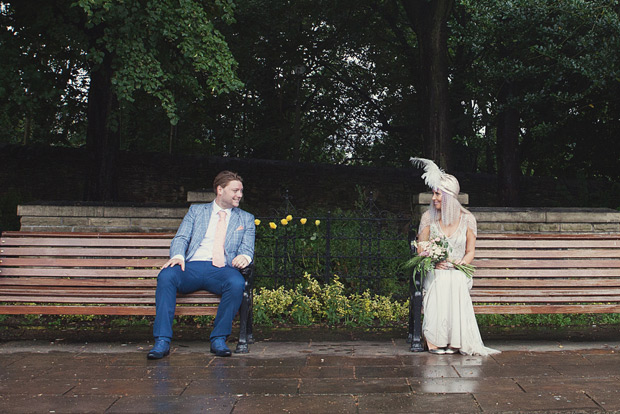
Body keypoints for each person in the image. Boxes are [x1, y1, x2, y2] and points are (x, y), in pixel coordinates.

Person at [147, 171, 255, 359]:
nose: (240, 195)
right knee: (166, 276)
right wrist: (179, 256)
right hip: (192, 267)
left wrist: (245, 257)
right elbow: (181, 237)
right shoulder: (197, 211)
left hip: (222, 269)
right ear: (220, 190)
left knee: (237, 283)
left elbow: (247, 247)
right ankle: (162, 341)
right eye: (235, 190)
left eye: (241, 191)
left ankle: (219, 339)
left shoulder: (245, 218)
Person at [411, 158, 499, 356]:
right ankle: (435, 341)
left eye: (437, 194)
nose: (433, 198)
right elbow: (421, 247)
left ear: (450, 197)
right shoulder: (428, 217)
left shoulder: (467, 219)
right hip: (437, 270)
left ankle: (455, 342)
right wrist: (433, 260)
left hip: (458, 271)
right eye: (434, 193)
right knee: (440, 280)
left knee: (457, 280)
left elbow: (470, 252)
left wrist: (462, 263)